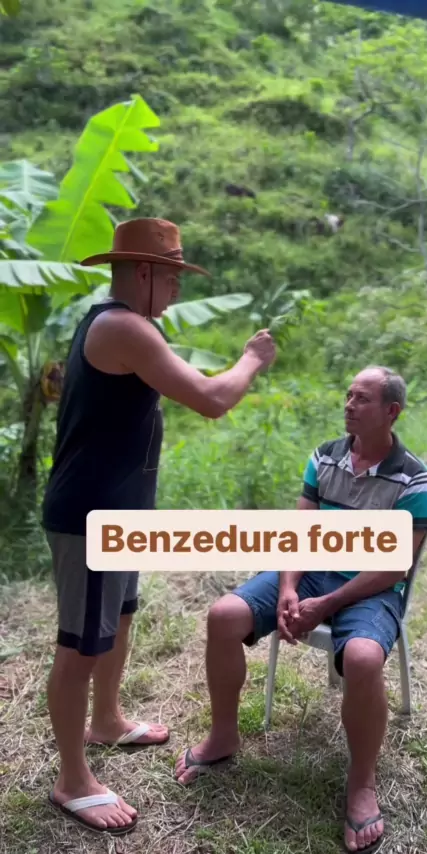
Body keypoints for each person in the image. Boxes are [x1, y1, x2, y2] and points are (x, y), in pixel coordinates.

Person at [41, 217, 276, 837]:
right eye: (171, 277)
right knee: (80, 645)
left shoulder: (125, 323)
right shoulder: (122, 327)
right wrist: (252, 359)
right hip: (91, 513)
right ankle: (72, 779)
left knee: (118, 618)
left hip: (121, 511)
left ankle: (107, 721)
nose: (176, 290)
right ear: (143, 272)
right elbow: (211, 399)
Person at [175, 366, 427, 854]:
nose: (349, 404)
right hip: (312, 573)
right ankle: (223, 736)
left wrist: (328, 604)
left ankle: (362, 783)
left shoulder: (415, 481)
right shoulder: (325, 457)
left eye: (362, 398)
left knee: (362, 657)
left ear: (391, 411)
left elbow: (393, 568)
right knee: (223, 615)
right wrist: (288, 589)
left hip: (371, 588)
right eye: (348, 395)